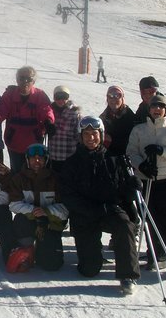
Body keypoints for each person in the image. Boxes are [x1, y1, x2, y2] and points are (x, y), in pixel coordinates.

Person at [58, 116, 142, 294]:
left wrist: (132, 186)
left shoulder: (113, 160)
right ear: (80, 137)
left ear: (101, 135)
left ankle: (128, 275)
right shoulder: (71, 163)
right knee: (89, 270)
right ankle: (93, 255)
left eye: (94, 134)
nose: (90, 138)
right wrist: (91, 210)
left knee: (124, 224)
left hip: (109, 210)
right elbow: (68, 196)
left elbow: (123, 193)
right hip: (84, 216)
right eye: (86, 134)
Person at [127, 94, 166, 271]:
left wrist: (162, 150)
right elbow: (131, 152)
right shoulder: (139, 130)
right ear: (149, 109)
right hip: (146, 180)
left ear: (165, 110)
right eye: (154, 107)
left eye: (161, 107)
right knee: (150, 218)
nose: (157, 110)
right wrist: (142, 166)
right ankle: (157, 255)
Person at [5, 143, 68, 272]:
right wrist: (33, 211)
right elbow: (13, 204)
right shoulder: (19, 179)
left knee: (52, 265)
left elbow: (66, 209)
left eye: (41, 158)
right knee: (20, 220)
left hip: (50, 223)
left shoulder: (56, 179)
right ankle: (26, 249)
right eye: (33, 158)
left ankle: (43, 248)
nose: (37, 161)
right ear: (27, 160)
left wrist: (47, 211)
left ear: (46, 160)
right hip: (29, 220)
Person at [0, 66, 54, 174]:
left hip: (34, 142)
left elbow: (45, 109)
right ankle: (16, 190)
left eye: (29, 78)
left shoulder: (39, 95)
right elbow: (3, 107)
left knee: (34, 171)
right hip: (14, 142)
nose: (25, 81)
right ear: (17, 80)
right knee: (17, 172)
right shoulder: (10, 94)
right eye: (21, 78)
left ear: (34, 81)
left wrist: (48, 121)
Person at [47, 86, 81, 173]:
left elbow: (78, 133)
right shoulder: (50, 111)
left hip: (69, 154)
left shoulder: (74, 113)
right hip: (54, 154)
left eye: (64, 97)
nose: (61, 100)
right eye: (58, 97)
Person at [99, 85, 136, 157]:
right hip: (107, 156)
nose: (113, 99)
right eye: (110, 96)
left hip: (124, 157)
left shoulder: (129, 117)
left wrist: (111, 140)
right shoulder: (103, 117)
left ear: (122, 99)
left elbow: (132, 140)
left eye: (117, 95)